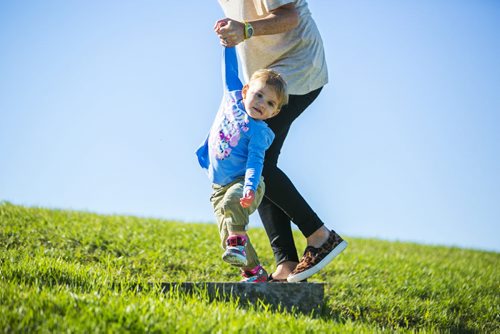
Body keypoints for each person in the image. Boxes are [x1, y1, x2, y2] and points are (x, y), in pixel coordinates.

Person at [214, 0, 348, 283]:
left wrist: (246, 30)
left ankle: (319, 235)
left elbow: (290, 16)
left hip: (297, 67)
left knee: (256, 162)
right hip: (264, 77)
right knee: (261, 166)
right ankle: (286, 262)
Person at [196, 46, 288, 282]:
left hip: (246, 184)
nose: (261, 104)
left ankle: (237, 242)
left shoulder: (259, 132)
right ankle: (254, 271)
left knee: (232, 203)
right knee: (225, 234)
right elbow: (229, 70)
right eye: (258, 95)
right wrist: (228, 44)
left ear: (273, 113)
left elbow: (255, 162)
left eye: (269, 103)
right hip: (219, 187)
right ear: (246, 90)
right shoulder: (231, 98)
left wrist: (249, 187)